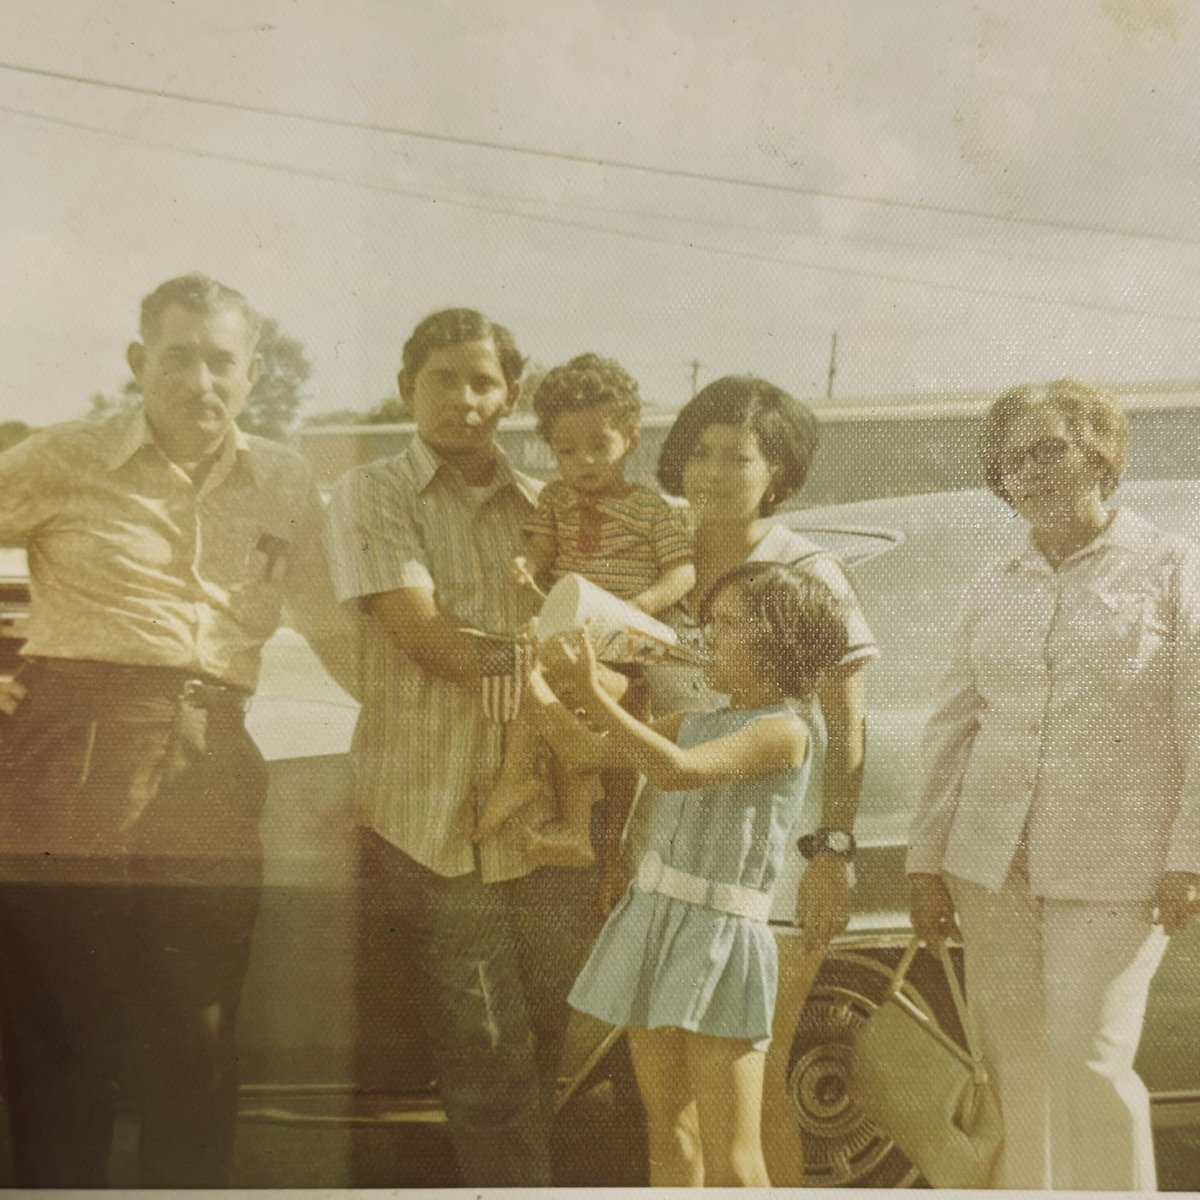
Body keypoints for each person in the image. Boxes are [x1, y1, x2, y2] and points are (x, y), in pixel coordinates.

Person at [0, 273, 353, 1187]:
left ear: (253, 374)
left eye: (220, 362)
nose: (200, 380)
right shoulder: (60, 456)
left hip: (213, 758)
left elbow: (329, 620)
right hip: (72, 755)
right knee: (63, 1028)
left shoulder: (282, 476)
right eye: (178, 357)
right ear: (137, 363)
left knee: (196, 1029)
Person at [324, 309, 601, 1187]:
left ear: (512, 394)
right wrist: (552, 652)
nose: (464, 400)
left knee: (546, 1048)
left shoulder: (549, 505)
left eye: (484, 382)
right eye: (442, 379)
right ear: (408, 388)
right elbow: (430, 641)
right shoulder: (374, 494)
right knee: (487, 1064)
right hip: (435, 823)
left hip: (546, 821)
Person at [907, 379, 1200, 1190]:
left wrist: (1191, 854)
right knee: (1018, 1067)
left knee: (1088, 1055)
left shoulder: (1174, 567)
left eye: (1046, 451)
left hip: (1119, 867)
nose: (1025, 474)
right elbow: (950, 730)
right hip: (991, 868)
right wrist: (926, 864)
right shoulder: (991, 584)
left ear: (1100, 455)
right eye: (1008, 462)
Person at [528, 562, 848, 1185]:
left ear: (778, 639)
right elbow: (584, 751)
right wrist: (536, 682)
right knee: (670, 1139)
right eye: (709, 622)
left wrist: (593, 693)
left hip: (722, 939)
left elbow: (678, 771)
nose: (706, 637)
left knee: (734, 1155)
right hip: (656, 924)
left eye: (727, 623)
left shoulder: (784, 731)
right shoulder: (694, 721)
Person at [647, 376, 877, 1179]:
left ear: (776, 472)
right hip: (676, 861)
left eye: (737, 457)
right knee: (672, 1092)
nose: (711, 473)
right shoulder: (662, 558)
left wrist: (831, 855)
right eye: (699, 452)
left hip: (769, 866)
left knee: (755, 1080)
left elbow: (848, 730)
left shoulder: (805, 569)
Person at [475, 352, 694, 862]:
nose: (585, 462)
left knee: (572, 696)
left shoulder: (650, 508)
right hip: (572, 632)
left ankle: (553, 811)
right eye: (568, 451)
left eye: (600, 446)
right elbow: (544, 550)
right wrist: (526, 563)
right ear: (550, 450)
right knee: (527, 672)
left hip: (626, 652)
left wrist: (637, 607)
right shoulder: (554, 500)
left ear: (631, 438)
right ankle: (526, 786)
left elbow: (683, 570)